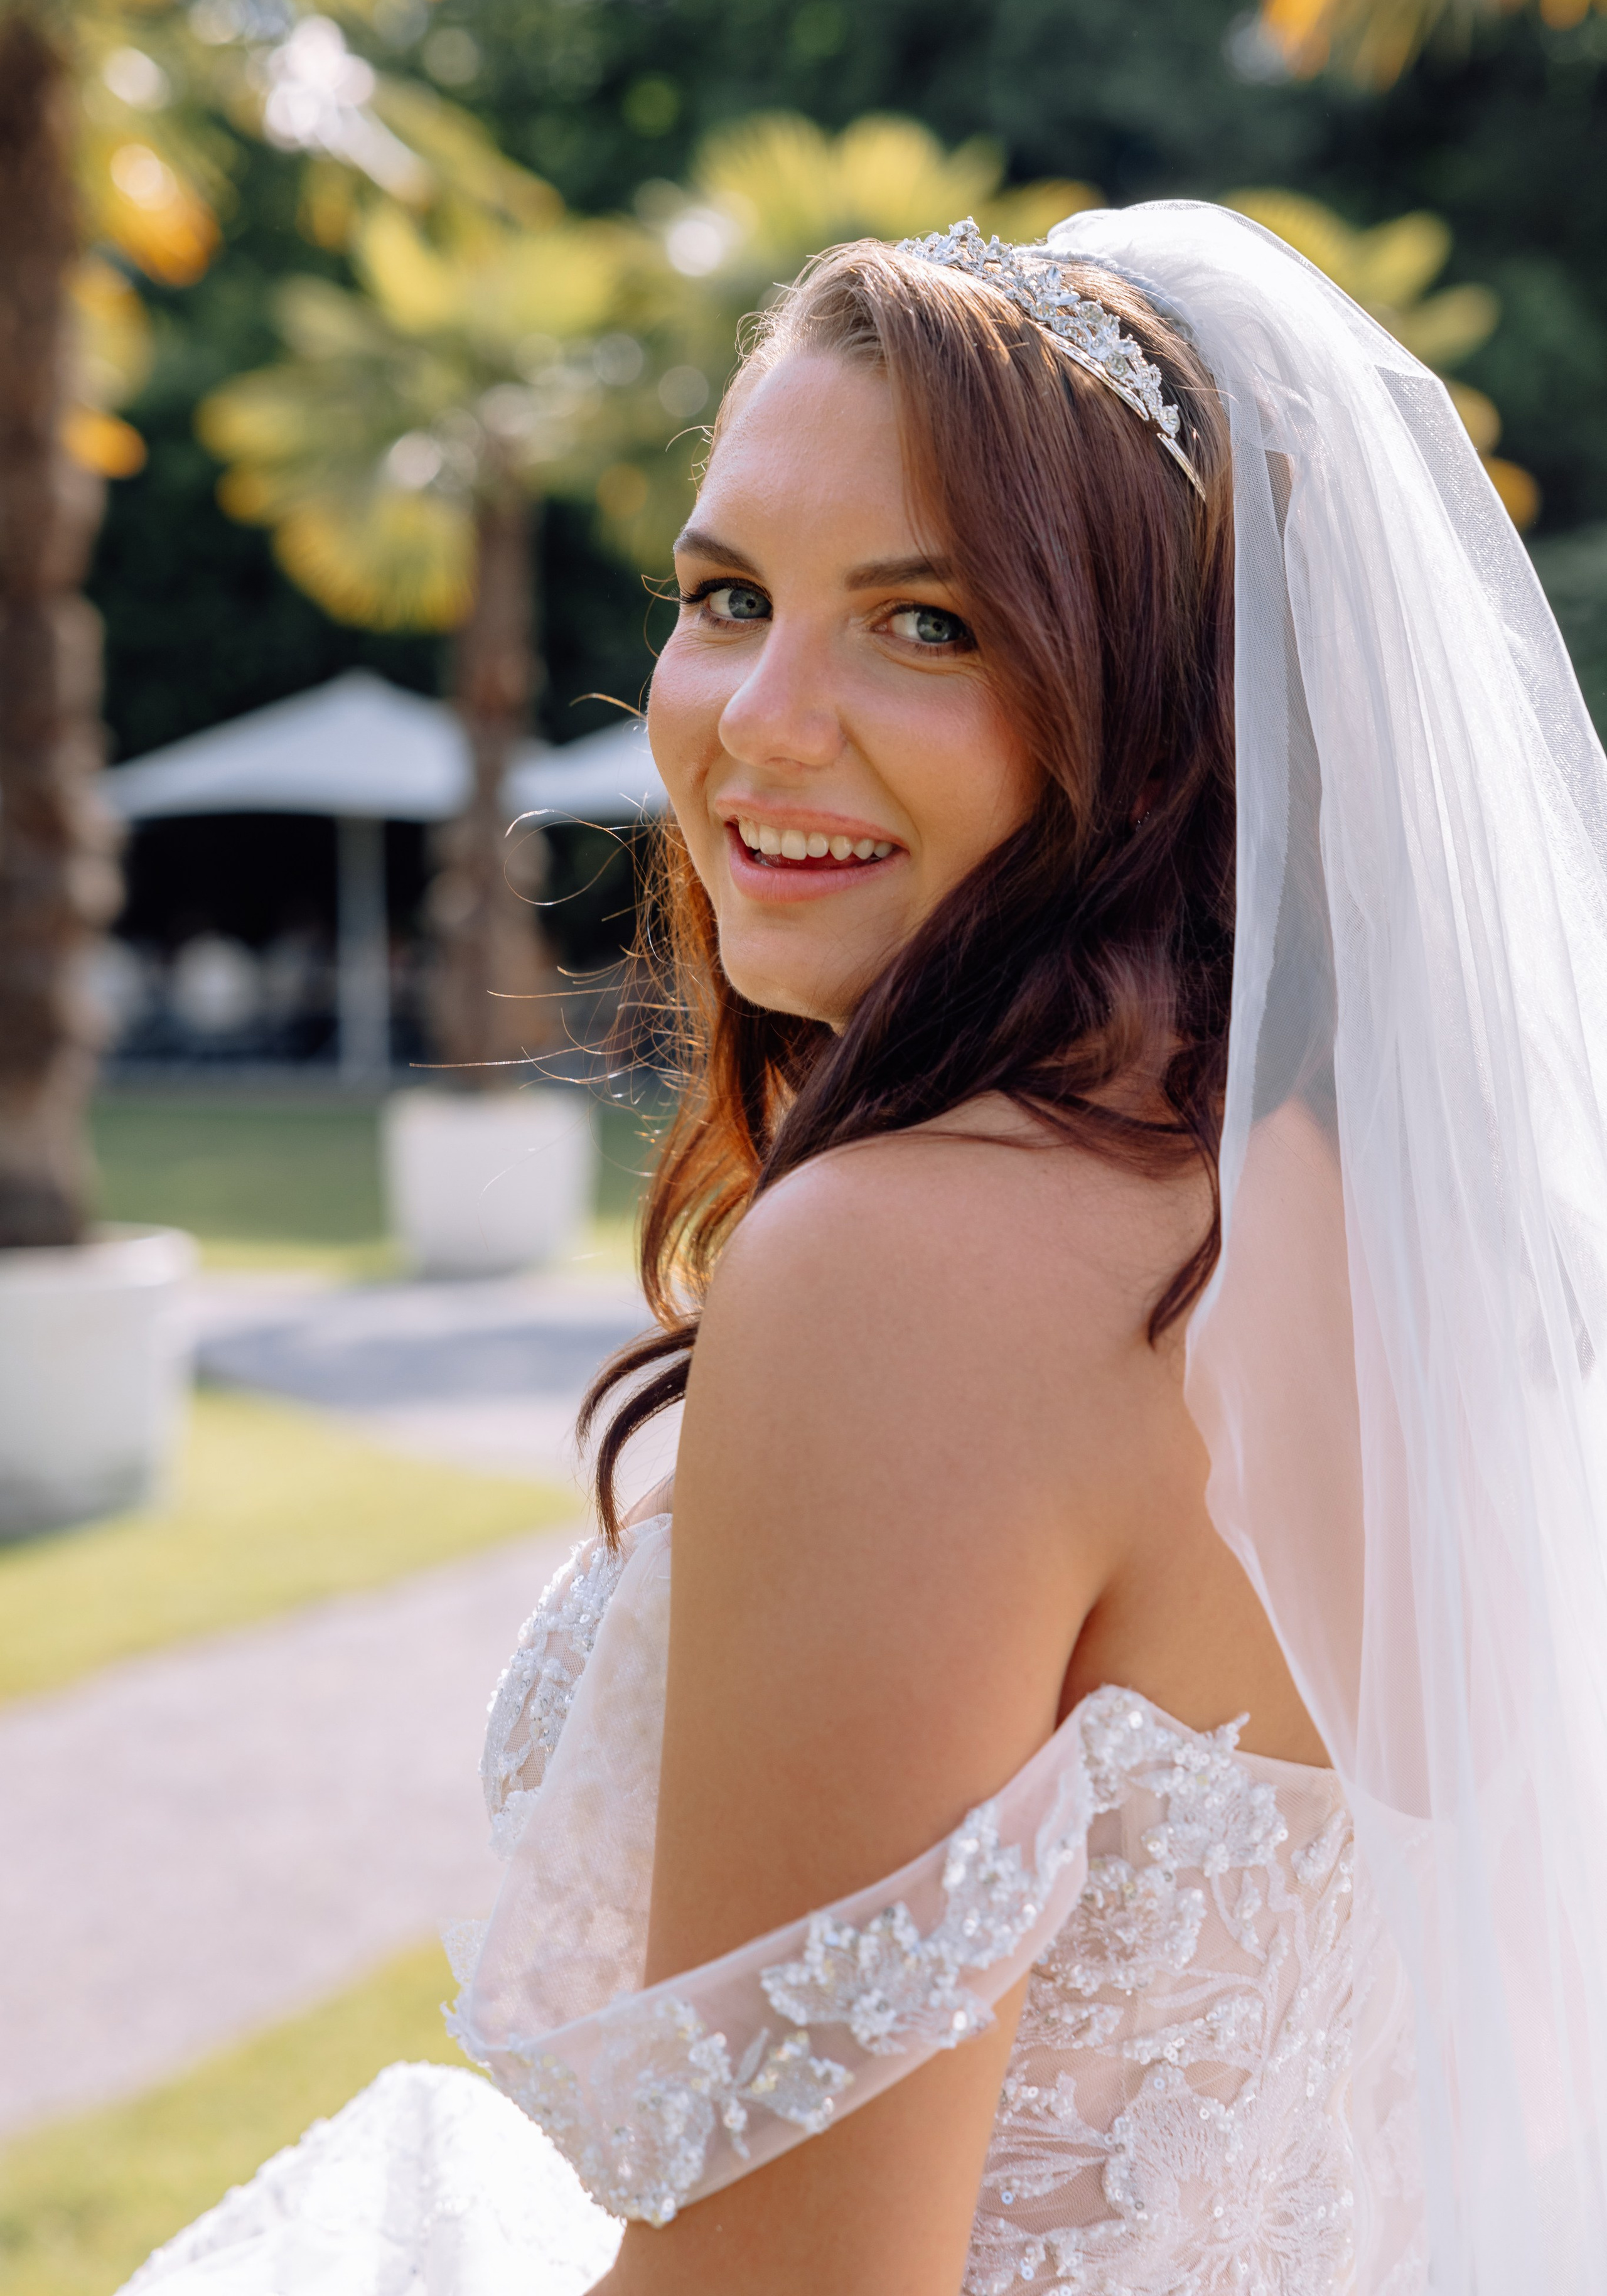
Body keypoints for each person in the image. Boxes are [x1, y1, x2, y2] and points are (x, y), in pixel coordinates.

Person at [123, 205, 1607, 2296]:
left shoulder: (914, 1267)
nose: (761, 720)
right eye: (728, 596)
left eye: (929, 624)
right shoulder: (1393, 1238)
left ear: (1164, 702)